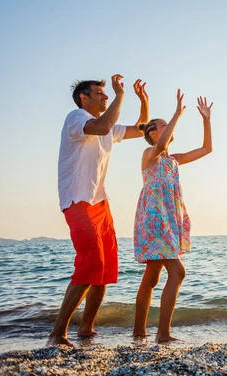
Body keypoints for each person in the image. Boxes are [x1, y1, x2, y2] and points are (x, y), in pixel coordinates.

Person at [47, 76, 149, 346]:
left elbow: (141, 130)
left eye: (107, 94)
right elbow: (103, 126)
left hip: (100, 202)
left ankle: (86, 328)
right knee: (89, 263)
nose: (105, 97)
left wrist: (144, 101)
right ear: (84, 97)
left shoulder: (108, 127)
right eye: (99, 94)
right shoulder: (76, 117)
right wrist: (120, 95)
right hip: (77, 200)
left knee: (104, 268)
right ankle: (57, 334)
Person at [132, 89, 213, 343]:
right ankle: (163, 334)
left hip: (168, 219)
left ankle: (138, 333)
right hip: (155, 219)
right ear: (153, 133)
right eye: (164, 125)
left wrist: (206, 119)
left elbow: (207, 149)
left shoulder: (174, 160)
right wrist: (177, 112)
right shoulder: (149, 156)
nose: (169, 127)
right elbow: (162, 145)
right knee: (177, 272)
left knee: (152, 277)